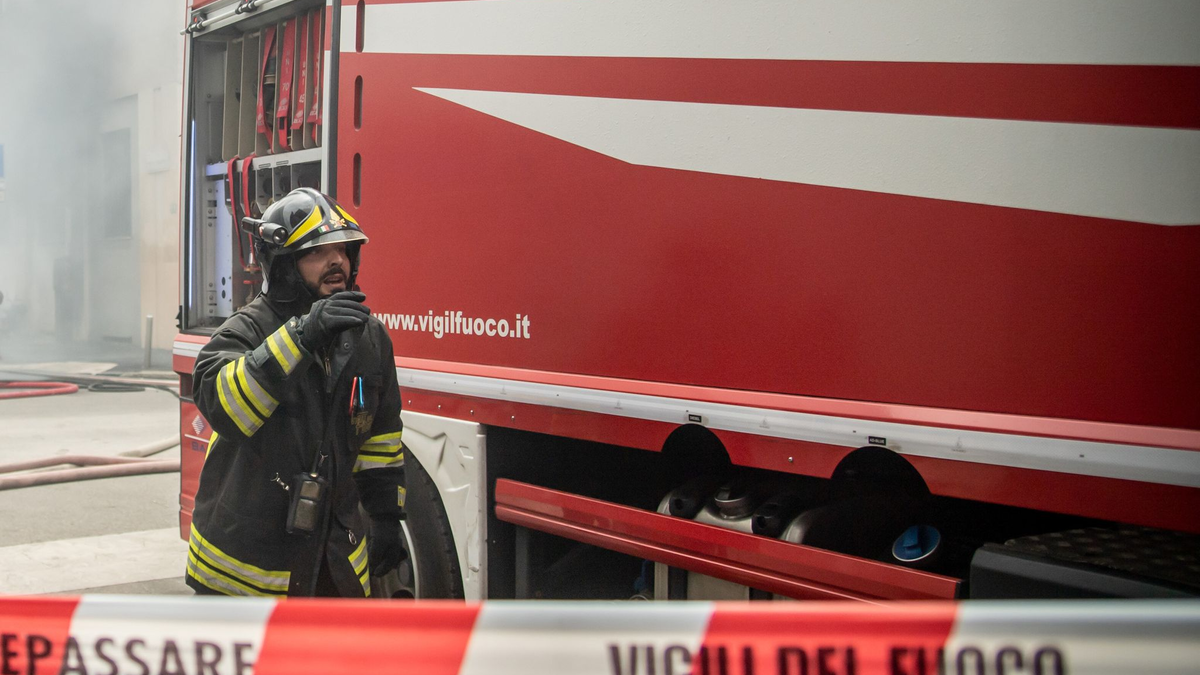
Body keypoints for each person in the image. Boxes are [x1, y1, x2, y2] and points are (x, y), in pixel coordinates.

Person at [186, 188, 406, 597]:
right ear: (284, 266)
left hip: (335, 560)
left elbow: (381, 438)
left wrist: (386, 517)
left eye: (342, 250)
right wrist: (302, 337)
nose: (336, 261)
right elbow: (225, 408)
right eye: (316, 253)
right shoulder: (245, 330)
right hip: (246, 572)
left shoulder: (369, 338)